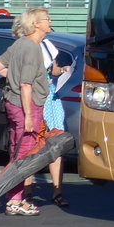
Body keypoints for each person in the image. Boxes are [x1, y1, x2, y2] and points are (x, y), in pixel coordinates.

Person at [0, 8, 53, 217]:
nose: (50, 21)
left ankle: (17, 198)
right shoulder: (31, 47)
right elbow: (26, 84)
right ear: (36, 24)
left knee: (18, 150)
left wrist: (12, 77)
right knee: (23, 154)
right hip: (26, 106)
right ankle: (14, 201)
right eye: (46, 19)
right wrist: (29, 115)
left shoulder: (20, 44)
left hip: (15, 103)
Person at [39, 39, 73, 208]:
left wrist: (62, 70)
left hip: (51, 99)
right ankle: (27, 192)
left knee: (57, 145)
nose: (50, 23)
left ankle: (57, 191)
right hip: (37, 98)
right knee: (32, 147)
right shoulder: (26, 47)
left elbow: (53, 69)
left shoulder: (46, 45)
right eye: (46, 20)